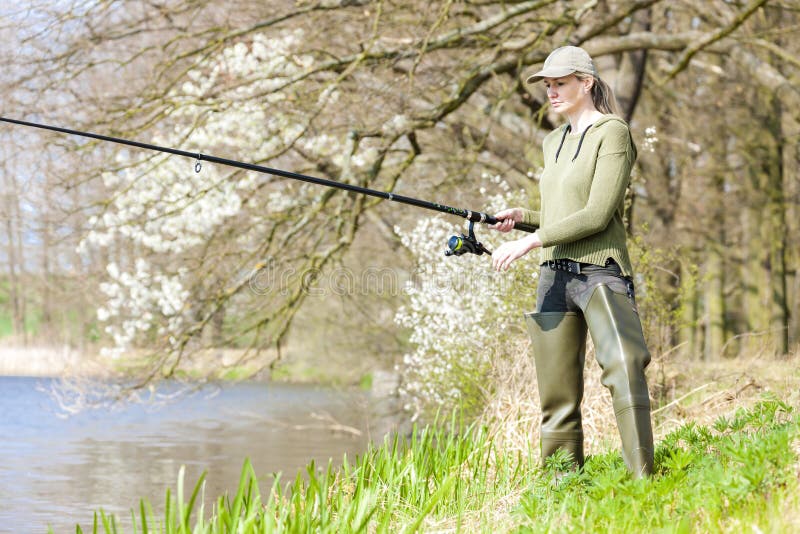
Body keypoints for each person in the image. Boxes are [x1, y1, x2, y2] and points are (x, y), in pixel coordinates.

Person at [489, 45, 654, 478]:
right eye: (548, 85)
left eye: (560, 83)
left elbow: (597, 215)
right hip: (554, 278)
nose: (552, 92)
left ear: (587, 82)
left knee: (625, 365)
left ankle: (643, 481)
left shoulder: (612, 132)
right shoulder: (552, 141)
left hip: (600, 270)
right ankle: (560, 489)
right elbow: (564, 217)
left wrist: (533, 241)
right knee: (558, 396)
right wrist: (524, 220)